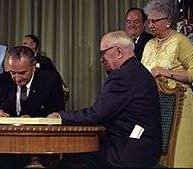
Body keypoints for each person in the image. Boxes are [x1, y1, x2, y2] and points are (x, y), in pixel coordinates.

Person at [48, 31, 162, 168]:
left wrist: (61, 116)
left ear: (119, 52)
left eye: (103, 53)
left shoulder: (122, 76)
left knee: (69, 161)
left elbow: (97, 115)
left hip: (127, 151)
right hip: (143, 147)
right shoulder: (138, 70)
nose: (101, 59)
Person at [141, 0, 193, 168]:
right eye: (149, 21)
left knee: (179, 153)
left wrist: (166, 72)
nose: (150, 25)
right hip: (155, 105)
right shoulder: (148, 44)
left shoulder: (180, 41)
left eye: (155, 21)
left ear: (168, 21)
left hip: (180, 104)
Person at [0, 45, 64, 117]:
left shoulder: (50, 81)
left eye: (22, 73)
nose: (17, 78)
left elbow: (57, 113)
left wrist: (33, 119)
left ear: (33, 67)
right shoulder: (0, 81)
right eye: (13, 72)